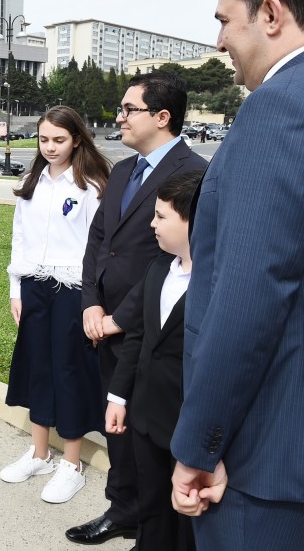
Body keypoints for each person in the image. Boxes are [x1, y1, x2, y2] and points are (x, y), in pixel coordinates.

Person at [170, 0, 304, 551]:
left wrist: (199, 446)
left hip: (265, 444)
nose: (219, 41)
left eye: (224, 20)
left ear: (271, 14)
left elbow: (248, 297)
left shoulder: (282, 107)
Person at [66, 72, 207, 546]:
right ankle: (122, 507)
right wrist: (91, 303)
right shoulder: (124, 170)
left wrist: (116, 319)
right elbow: (98, 242)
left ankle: (155, 524)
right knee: (117, 424)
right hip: (102, 320)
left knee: (149, 435)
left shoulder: (194, 175)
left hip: (151, 330)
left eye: (129, 109)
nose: (119, 117)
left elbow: (170, 262)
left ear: (162, 117)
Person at [0, 106, 110, 504]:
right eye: (43, 139)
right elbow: (19, 236)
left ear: (77, 139)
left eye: (59, 140)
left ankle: (73, 463)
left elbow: (97, 251)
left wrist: (91, 301)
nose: (50, 147)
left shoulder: (92, 186)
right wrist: (16, 287)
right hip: (34, 286)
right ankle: (40, 453)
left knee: (69, 370)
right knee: (37, 367)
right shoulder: (31, 180)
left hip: (73, 290)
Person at [105, 170, 204, 551]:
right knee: (152, 507)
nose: (152, 224)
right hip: (145, 418)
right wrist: (118, 396)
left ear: (194, 220)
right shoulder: (159, 267)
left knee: (186, 522)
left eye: (161, 216)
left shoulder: (215, 283)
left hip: (186, 424)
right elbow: (140, 337)